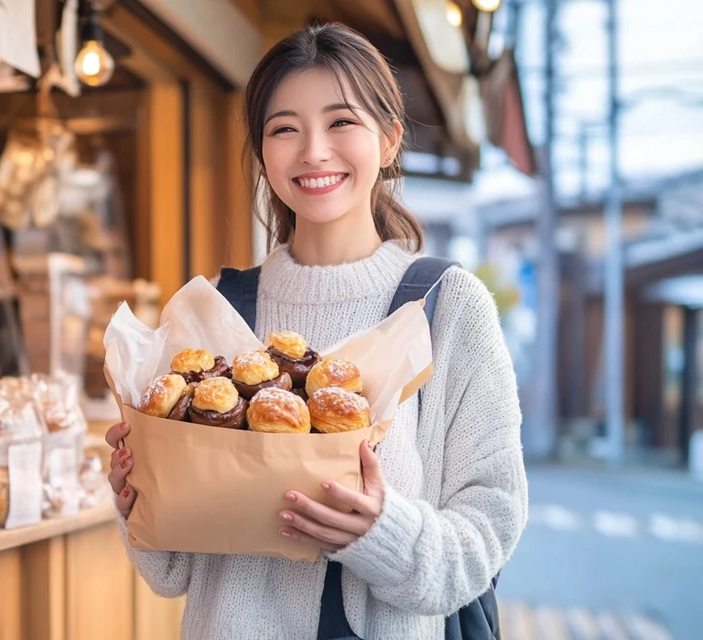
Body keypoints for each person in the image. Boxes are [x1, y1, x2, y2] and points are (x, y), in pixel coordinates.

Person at [104, 23, 528, 640]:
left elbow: (489, 531)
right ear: (263, 153)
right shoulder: (217, 314)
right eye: (284, 129)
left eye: (341, 122)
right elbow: (172, 572)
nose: (313, 151)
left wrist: (382, 533)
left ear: (389, 140)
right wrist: (139, 497)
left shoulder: (445, 305)